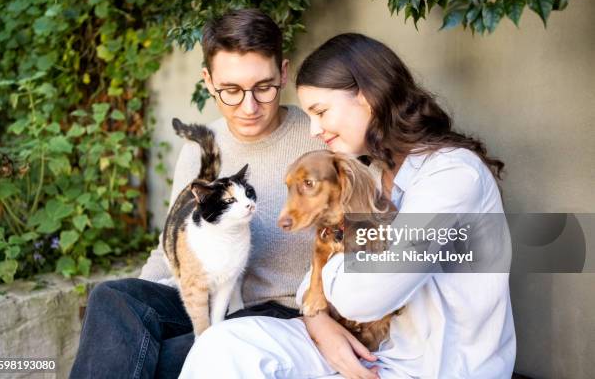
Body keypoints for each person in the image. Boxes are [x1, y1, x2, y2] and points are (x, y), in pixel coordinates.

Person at [180, 33, 516, 378]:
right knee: (222, 345)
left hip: (428, 368)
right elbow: (309, 288)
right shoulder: (371, 173)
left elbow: (365, 295)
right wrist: (317, 322)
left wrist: (324, 269)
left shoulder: (452, 175)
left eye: (321, 111)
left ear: (369, 96)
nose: (313, 129)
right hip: (362, 348)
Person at [69, 9, 323, 379]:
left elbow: (368, 232)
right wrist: (140, 311)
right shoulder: (201, 150)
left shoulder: (320, 137)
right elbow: (169, 246)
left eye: (264, 87)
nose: (249, 106)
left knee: (168, 360)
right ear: (207, 81)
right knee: (113, 298)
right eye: (231, 91)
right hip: (203, 298)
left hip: (276, 316)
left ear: (283, 72)